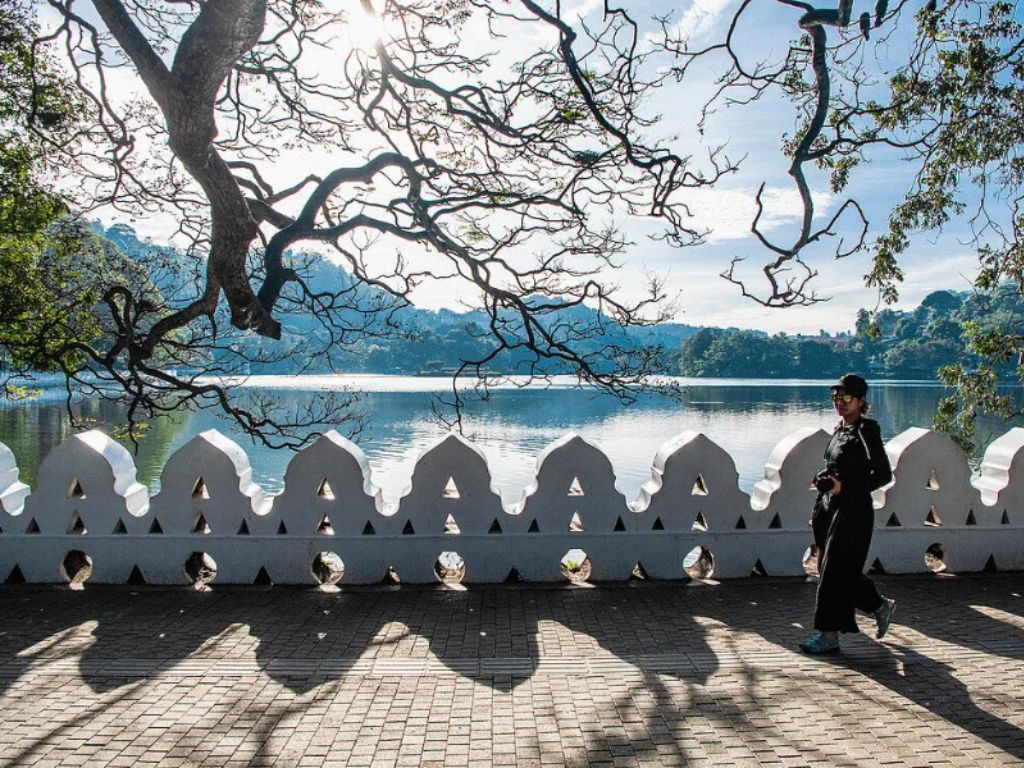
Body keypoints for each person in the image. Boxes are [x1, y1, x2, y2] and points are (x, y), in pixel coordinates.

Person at [799, 373, 896, 655]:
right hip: (828, 508)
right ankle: (878, 605)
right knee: (837, 570)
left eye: (847, 397)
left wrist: (846, 486)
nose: (840, 402)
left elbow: (883, 475)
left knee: (832, 573)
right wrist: (825, 485)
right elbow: (838, 467)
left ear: (862, 400)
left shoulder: (867, 431)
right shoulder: (839, 431)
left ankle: (828, 635)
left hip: (853, 512)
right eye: (836, 397)